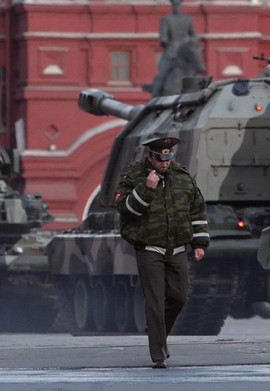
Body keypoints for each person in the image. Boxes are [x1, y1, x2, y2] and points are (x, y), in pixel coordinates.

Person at [115, 136, 209, 369]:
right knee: (155, 301)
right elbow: (125, 210)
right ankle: (158, 353)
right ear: (150, 157)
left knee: (179, 297)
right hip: (149, 248)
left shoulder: (183, 178)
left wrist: (199, 243)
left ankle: (157, 329)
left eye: (168, 158)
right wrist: (146, 189)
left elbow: (197, 210)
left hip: (177, 247)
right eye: (160, 159)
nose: (164, 163)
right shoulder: (134, 177)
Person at [151, 0, 198, 96]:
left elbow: (163, 38)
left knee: (161, 76)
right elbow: (193, 37)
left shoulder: (167, 19)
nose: (176, 7)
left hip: (171, 52)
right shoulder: (187, 19)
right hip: (185, 53)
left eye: (177, 5)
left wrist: (165, 42)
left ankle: (154, 96)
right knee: (195, 73)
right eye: (175, 5)